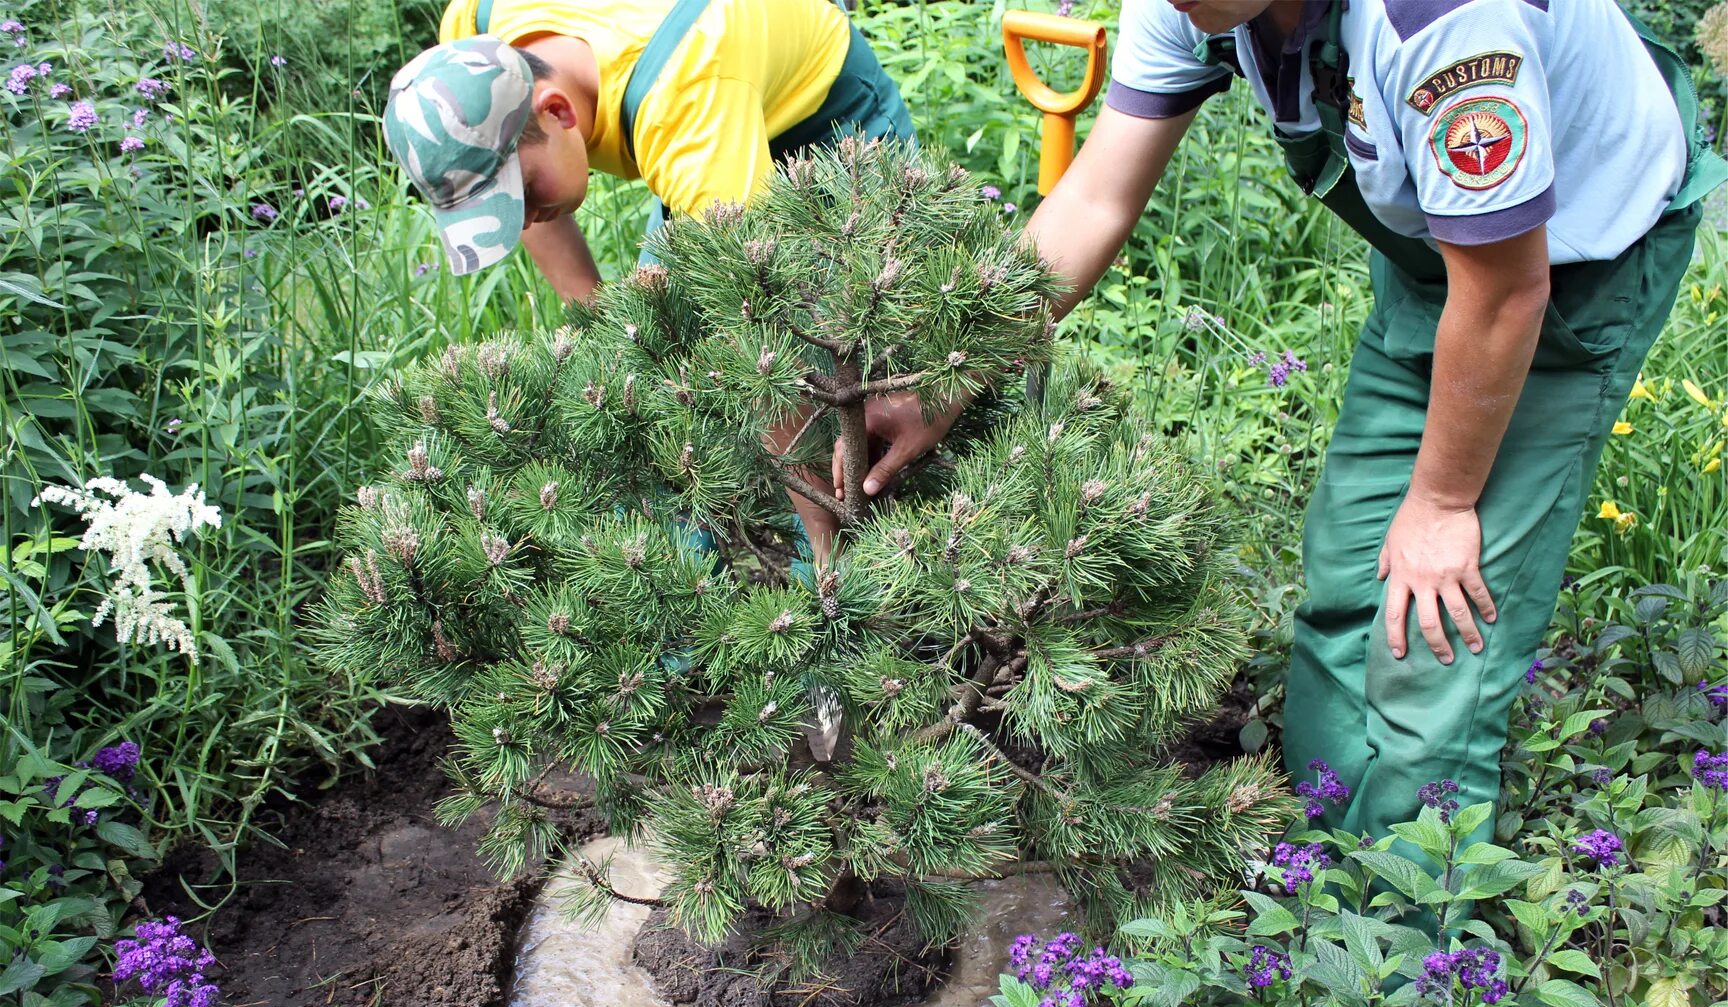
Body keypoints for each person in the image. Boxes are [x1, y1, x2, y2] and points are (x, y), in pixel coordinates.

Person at [836, 0, 1727, 854]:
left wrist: (1445, 502)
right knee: (1349, 575)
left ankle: (1408, 948)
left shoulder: (1446, 21)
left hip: (1567, 271)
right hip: (1444, 264)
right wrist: (952, 376)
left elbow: (1500, 295)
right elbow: (1096, 200)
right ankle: (1323, 875)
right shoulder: (1191, 3)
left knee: (1436, 623)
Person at [382, 0, 915, 559]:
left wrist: (831, 562)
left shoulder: (684, 112)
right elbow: (605, 311)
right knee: (654, 380)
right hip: (712, 122)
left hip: (832, 129)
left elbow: (761, 343)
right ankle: (674, 582)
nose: (518, 219)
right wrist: (613, 341)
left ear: (559, 111)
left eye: (520, 196)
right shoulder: (473, 32)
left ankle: (847, 568)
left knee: (842, 382)